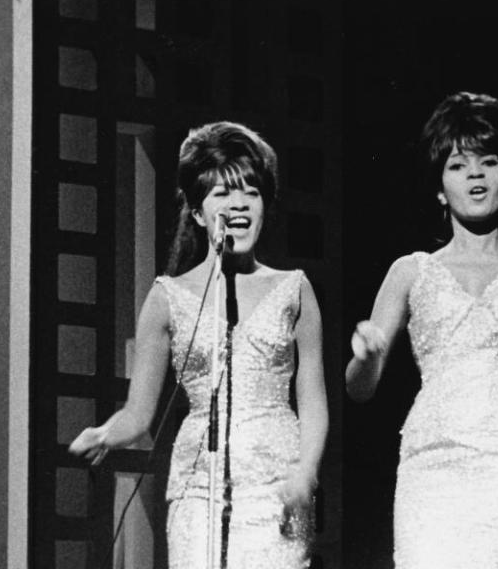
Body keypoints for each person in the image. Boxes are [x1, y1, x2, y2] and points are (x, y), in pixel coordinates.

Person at [69, 121, 328, 568]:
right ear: (196, 211)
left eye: (251, 191)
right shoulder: (168, 297)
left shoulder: (294, 290)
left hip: (277, 481)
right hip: (198, 485)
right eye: (222, 193)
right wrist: (104, 433)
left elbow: (313, 401)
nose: (238, 203)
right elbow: (138, 413)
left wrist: (306, 472)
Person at [346, 92, 498, 569]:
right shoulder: (410, 272)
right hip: (431, 465)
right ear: (438, 187)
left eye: (488, 162)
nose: (474, 174)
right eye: (457, 165)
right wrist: (366, 356)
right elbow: (359, 390)